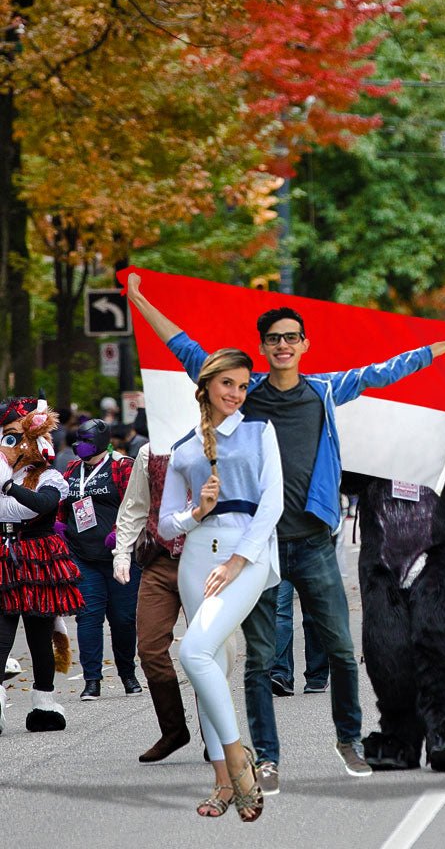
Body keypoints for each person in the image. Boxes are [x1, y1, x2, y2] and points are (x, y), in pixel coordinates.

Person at [127, 272, 445, 791]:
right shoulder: (245, 394)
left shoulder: (325, 391)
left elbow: (384, 372)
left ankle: (349, 740)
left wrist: (443, 347)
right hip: (257, 548)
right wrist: (139, 300)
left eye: (292, 337)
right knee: (261, 660)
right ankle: (266, 758)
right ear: (262, 348)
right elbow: (186, 349)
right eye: (274, 339)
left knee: (338, 647)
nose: (284, 345)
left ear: (305, 344)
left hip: (313, 543)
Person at [159, 347, 280, 821]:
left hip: (244, 554)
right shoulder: (185, 448)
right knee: (209, 665)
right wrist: (197, 512)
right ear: (207, 385)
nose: (236, 393)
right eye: (228, 383)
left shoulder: (259, 430)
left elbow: (272, 503)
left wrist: (237, 560)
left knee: (193, 651)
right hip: (195, 558)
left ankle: (238, 764)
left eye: (243, 385)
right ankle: (221, 784)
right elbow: (166, 525)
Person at [0, 396, 80, 734]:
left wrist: (7, 487)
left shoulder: (49, 476)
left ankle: (44, 703)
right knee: (2, 636)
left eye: (14, 437)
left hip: (38, 559)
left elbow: (40, 506)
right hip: (4, 557)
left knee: (39, 635)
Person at [112, 444, 192, 762]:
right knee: (149, 648)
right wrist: (121, 552)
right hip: (159, 561)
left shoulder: (220, 440)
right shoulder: (150, 452)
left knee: (206, 650)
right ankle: (173, 729)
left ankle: (216, 733)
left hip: (204, 561)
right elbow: (134, 507)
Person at [60, 419, 141, 701]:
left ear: (100, 440)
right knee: (88, 618)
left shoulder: (122, 466)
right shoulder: (72, 469)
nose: (78, 444)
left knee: (123, 619)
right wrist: (60, 526)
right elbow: (63, 504)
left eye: (85, 439)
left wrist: (120, 534)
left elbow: (137, 505)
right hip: (83, 556)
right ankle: (92, 679)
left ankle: (128, 674)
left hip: (121, 556)